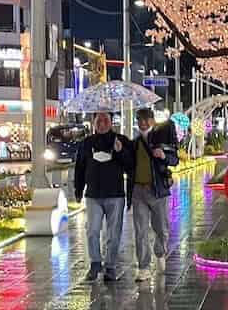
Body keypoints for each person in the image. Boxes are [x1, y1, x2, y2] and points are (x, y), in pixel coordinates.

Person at [73, 109, 130, 282]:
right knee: (92, 230)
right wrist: (78, 190)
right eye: (99, 120)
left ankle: (110, 266)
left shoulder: (121, 140)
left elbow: (130, 165)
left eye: (106, 120)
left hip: (115, 195)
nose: (102, 124)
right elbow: (80, 168)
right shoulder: (87, 143)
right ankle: (95, 263)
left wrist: (121, 151)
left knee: (114, 233)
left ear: (111, 122)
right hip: (93, 196)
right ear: (94, 122)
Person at [129, 106, 179, 280]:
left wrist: (163, 156)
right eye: (139, 120)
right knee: (140, 231)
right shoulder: (134, 143)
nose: (143, 123)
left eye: (146, 119)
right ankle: (143, 267)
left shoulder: (161, 138)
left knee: (162, 229)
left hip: (157, 191)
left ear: (152, 120)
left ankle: (160, 253)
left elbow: (174, 160)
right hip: (138, 191)